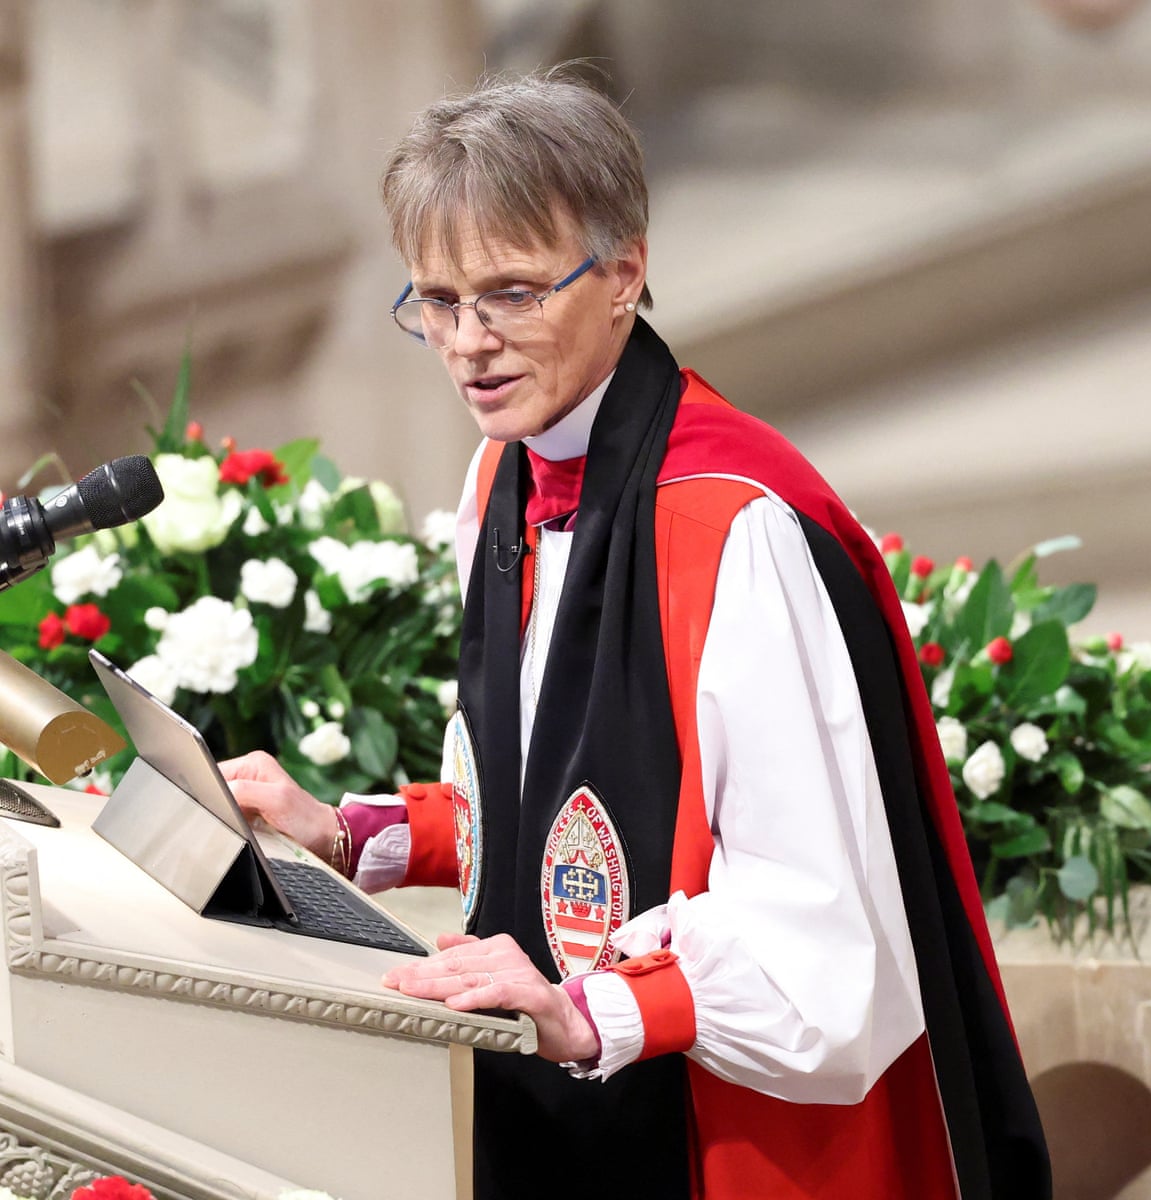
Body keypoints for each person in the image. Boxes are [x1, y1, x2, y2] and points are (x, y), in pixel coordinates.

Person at [221, 66, 1051, 1200]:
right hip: (552, 1107)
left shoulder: (733, 533)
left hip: (730, 1139)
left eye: (513, 293)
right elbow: (569, 817)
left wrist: (587, 1011)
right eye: (439, 302)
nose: (469, 343)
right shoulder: (503, 480)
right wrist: (343, 831)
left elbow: (822, 939)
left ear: (624, 273)